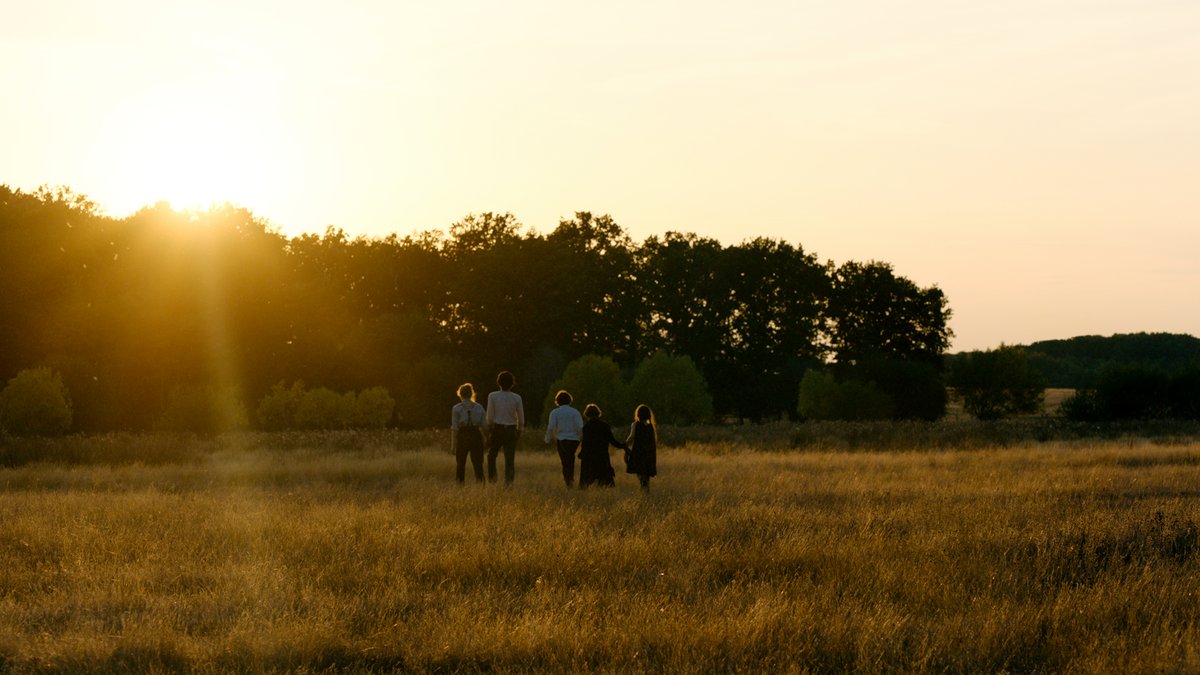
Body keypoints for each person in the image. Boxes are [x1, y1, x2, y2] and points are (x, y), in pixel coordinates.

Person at [486, 370, 525, 485]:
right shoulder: (517, 398)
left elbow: (490, 417)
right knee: (509, 460)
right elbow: (521, 418)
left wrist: (490, 430)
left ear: (499, 383)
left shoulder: (492, 396)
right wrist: (519, 430)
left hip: (497, 429)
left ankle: (493, 479)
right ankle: (508, 484)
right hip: (511, 430)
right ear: (512, 383)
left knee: (491, 455)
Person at [578, 403, 625, 488]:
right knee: (604, 479)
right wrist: (623, 446)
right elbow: (613, 441)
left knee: (586, 479)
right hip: (602, 455)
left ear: (587, 414)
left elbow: (585, 443)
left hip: (590, 456)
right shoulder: (605, 426)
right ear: (598, 413)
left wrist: (581, 453)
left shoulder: (587, 427)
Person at [544, 390, 584, 488]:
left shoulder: (555, 412)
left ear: (558, 400)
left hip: (561, 440)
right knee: (570, 458)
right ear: (569, 400)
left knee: (565, 461)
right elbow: (580, 427)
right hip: (574, 440)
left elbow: (551, 427)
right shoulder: (575, 412)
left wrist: (547, 439)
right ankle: (570, 479)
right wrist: (582, 439)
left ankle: (568, 481)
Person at [450, 383, 486, 484]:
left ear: (460, 394)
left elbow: (455, 428)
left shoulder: (456, 408)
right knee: (478, 464)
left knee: (460, 464)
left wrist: (453, 446)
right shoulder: (479, 407)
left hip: (462, 435)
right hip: (475, 434)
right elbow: (485, 426)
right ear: (471, 394)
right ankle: (481, 487)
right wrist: (487, 439)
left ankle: (460, 487)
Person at [624, 404, 657, 492]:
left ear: (638, 414)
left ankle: (643, 494)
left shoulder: (635, 425)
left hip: (638, 454)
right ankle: (646, 493)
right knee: (646, 478)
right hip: (649, 455)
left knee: (641, 477)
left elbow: (631, 438)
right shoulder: (651, 427)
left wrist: (624, 446)